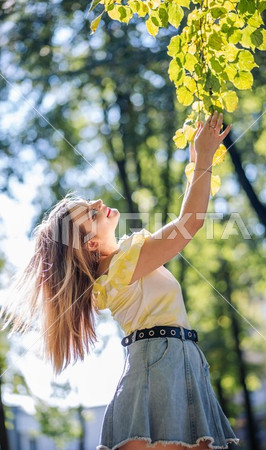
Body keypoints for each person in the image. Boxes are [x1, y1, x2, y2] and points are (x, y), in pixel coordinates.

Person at [0, 111, 239, 449]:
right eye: (92, 214)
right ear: (92, 244)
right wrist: (202, 158)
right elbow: (190, 223)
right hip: (163, 361)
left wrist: (199, 160)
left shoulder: (121, 266)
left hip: (172, 357)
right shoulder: (120, 267)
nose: (99, 203)